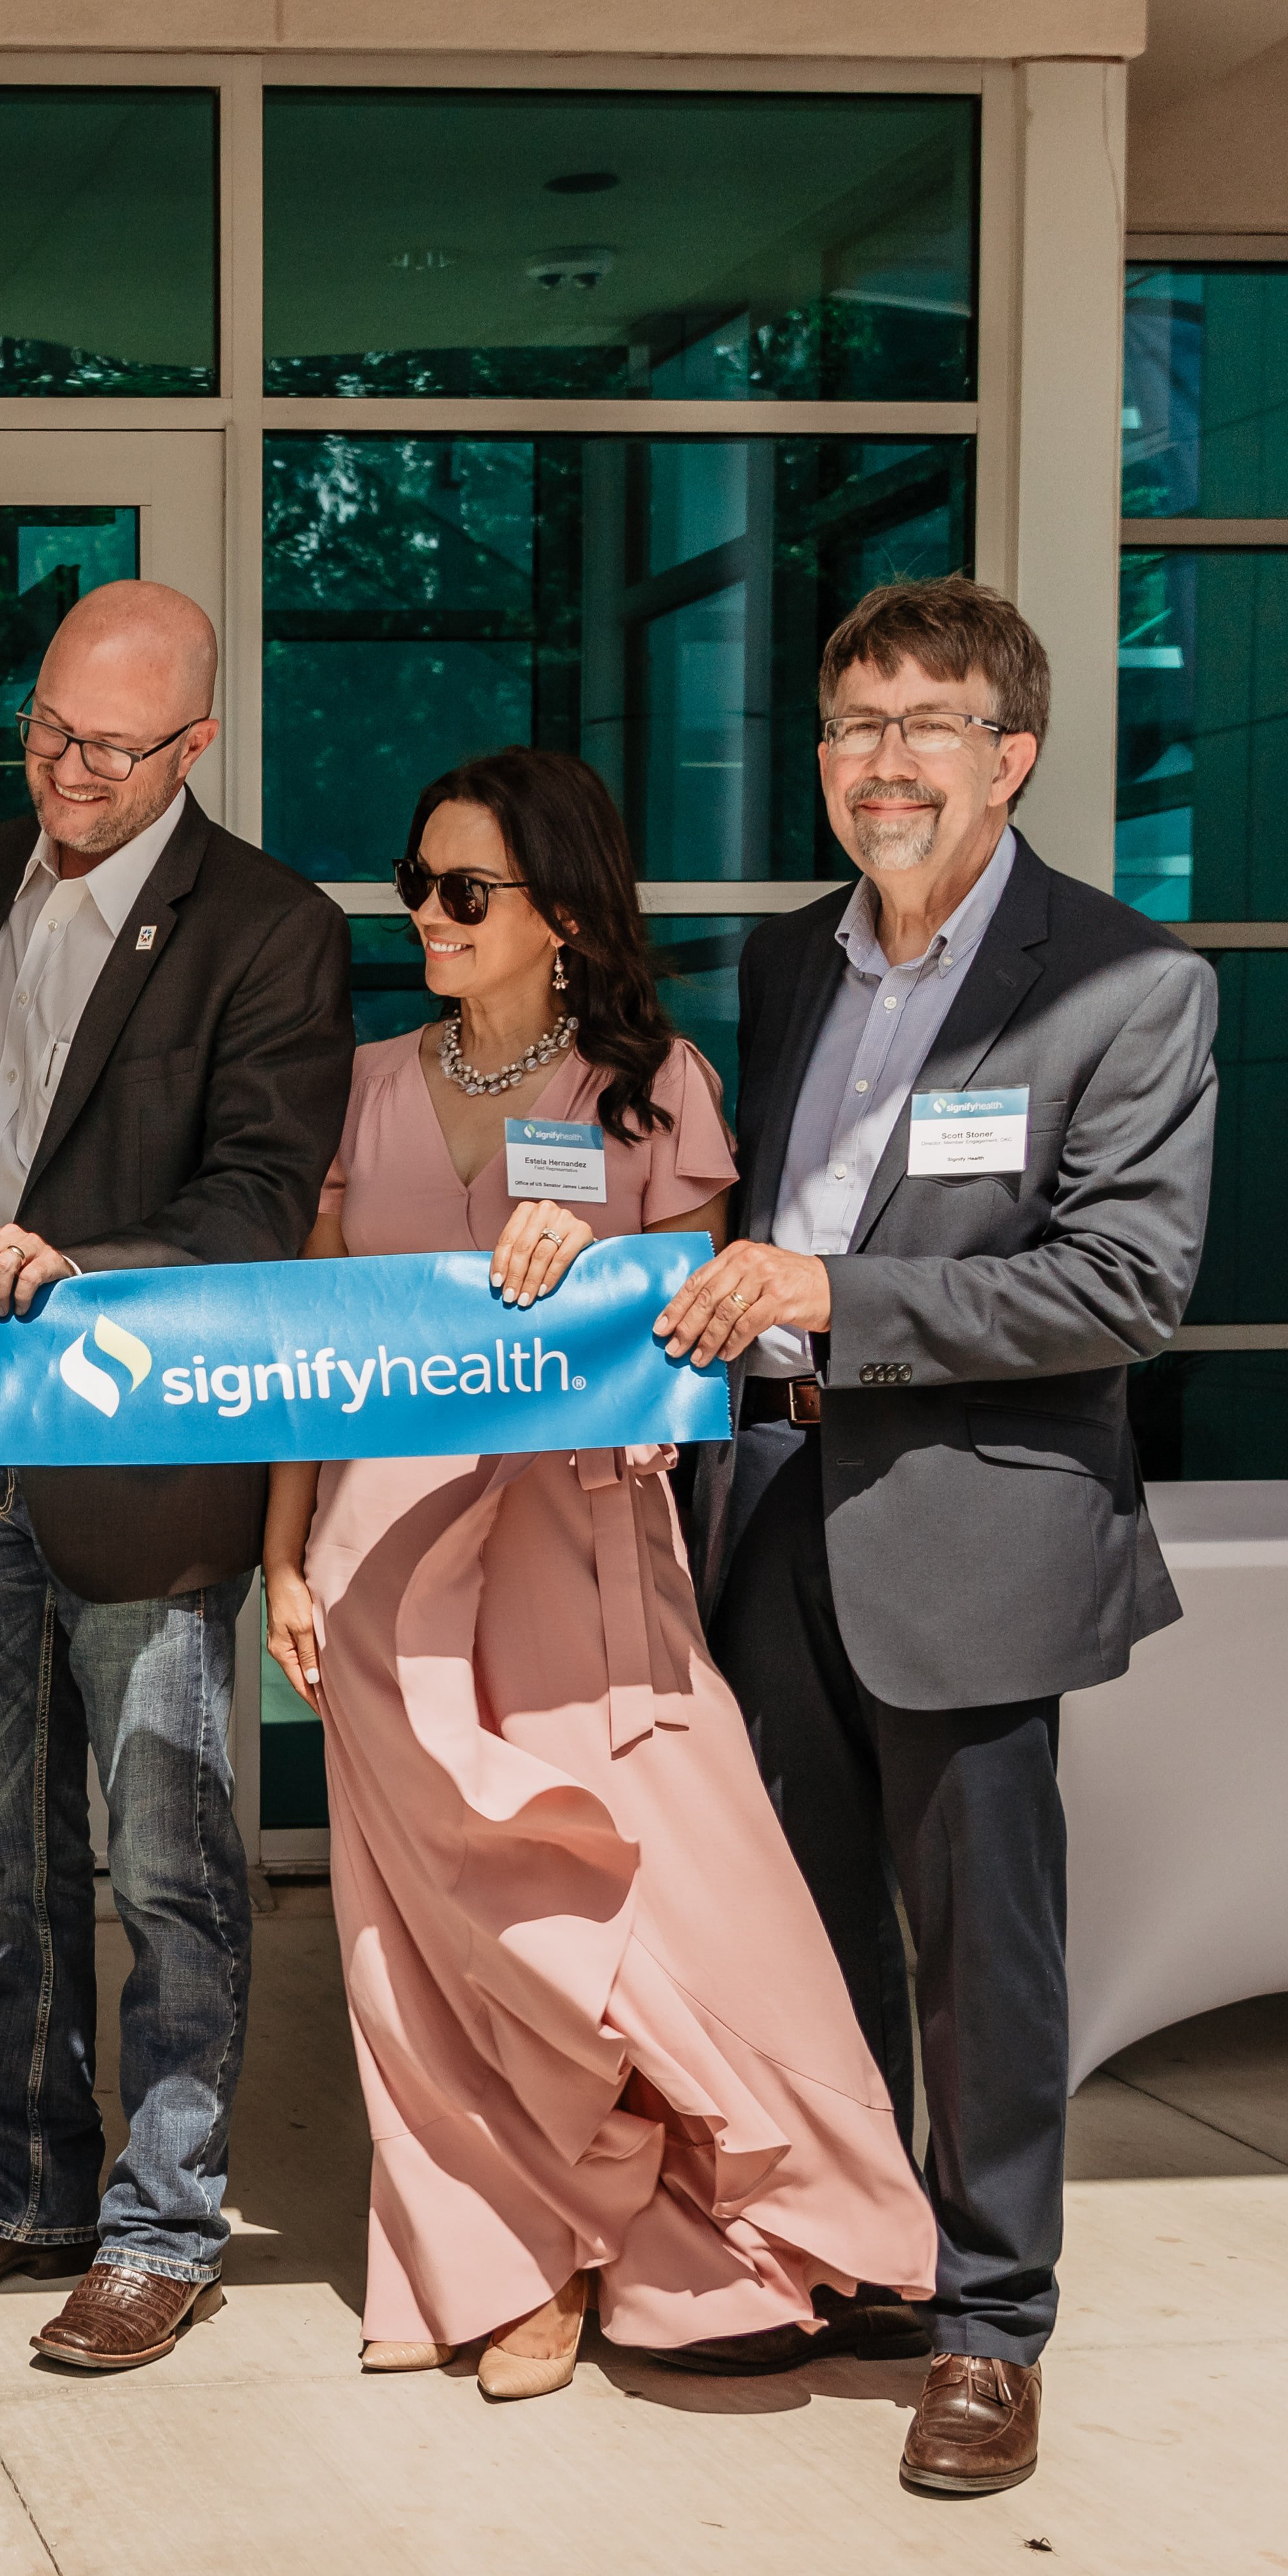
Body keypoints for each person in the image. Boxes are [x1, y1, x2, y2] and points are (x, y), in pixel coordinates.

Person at [259, 749, 935, 2398]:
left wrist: (613, 1261)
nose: (426, 913)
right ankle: (522, 2265)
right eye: (415, 884)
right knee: (439, 1942)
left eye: (463, 890)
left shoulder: (654, 1087)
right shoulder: (364, 1085)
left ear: (560, 913)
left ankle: (737, 2232)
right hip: (381, 1561)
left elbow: (703, 1303)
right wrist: (280, 1555)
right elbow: (317, 1350)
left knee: (644, 1907)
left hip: (579, 1550)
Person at [654, 577, 1217, 2498]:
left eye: (924, 727)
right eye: (851, 729)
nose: (881, 765)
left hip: (968, 1532)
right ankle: (865, 2249)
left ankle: (990, 2327)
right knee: (806, 1926)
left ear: (1012, 755)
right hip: (778, 1508)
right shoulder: (796, 959)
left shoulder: (1126, 984)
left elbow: (1121, 1286)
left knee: (982, 1947)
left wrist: (831, 1298)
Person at [0, 581, 350, 2374]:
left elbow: (258, 1200)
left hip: (138, 1469)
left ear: (194, 744)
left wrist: (86, 1262)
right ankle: (22, 2189)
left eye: (111, 746)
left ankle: (162, 2220)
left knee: (163, 1857)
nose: (67, 767)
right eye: (50, 727)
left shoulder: (273, 929)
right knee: (3, 1850)